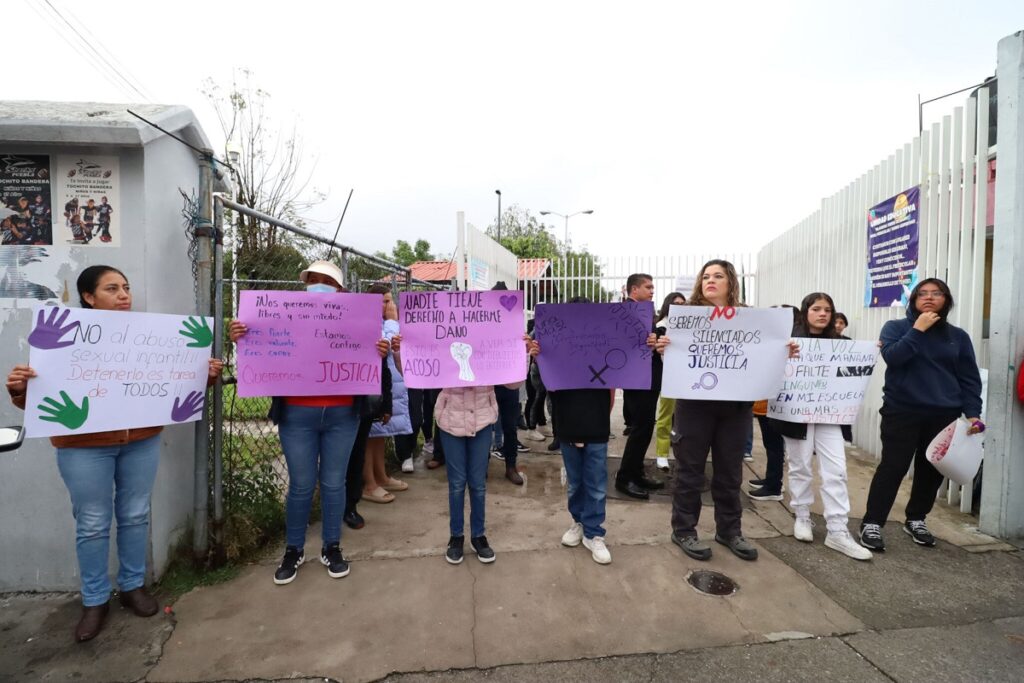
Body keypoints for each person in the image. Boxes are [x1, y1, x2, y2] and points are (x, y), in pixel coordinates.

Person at [6, 265, 224, 642]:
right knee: (91, 522)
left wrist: (203, 374)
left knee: (136, 513)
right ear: (89, 297)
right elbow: (41, 403)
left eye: (126, 287)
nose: (124, 295)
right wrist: (20, 389)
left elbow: (168, 383)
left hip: (140, 441)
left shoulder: (151, 337)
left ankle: (133, 586)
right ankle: (94, 600)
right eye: (112, 289)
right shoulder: (63, 338)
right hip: (83, 448)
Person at [229, 261, 389, 585]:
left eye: (325, 281)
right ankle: (294, 549)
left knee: (334, 483)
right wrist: (240, 336)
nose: (317, 285)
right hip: (297, 416)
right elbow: (261, 348)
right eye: (312, 280)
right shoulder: (284, 314)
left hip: (343, 416)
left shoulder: (360, 321)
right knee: (301, 485)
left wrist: (380, 351)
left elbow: (372, 358)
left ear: (341, 290)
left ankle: (332, 546)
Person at [656, 259, 799, 562]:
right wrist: (664, 348)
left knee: (730, 472)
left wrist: (783, 351)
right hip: (694, 407)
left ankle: (729, 530)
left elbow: (764, 354)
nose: (710, 280)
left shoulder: (749, 318)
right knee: (689, 471)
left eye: (718, 276)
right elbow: (673, 361)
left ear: (731, 282)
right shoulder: (686, 318)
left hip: (735, 407)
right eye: (706, 276)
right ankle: (684, 531)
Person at [859, 278, 983, 551]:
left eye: (936, 293)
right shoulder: (896, 328)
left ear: (946, 300)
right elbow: (894, 357)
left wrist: (973, 414)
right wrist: (917, 330)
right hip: (902, 411)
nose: (929, 298)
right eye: (922, 294)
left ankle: (916, 519)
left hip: (944, 415)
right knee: (893, 466)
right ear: (913, 300)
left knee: (930, 471)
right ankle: (872, 523)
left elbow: (969, 378)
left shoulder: (958, 336)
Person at [770, 293, 872, 561]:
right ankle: (802, 516)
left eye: (828, 309)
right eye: (816, 309)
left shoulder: (843, 345)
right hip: (797, 415)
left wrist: (870, 353)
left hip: (830, 416)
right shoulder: (790, 342)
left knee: (836, 470)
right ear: (805, 312)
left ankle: (837, 530)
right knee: (800, 465)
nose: (823, 314)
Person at [530, 297, 616, 564]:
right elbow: (551, 388)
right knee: (575, 482)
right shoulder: (557, 349)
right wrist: (540, 356)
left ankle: (594, 533)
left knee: (596, 483)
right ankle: (577, 522)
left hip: (597, 424)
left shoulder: (605, 348)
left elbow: (612, 389)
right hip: (567, 422)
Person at [437, 337, 530, 565]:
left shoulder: (490, 337)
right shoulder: (442, 337)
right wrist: (402, 352)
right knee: (457, 484)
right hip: (450, 420)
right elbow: (418, 372)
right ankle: (456, 537)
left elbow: (513, 383)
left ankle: (478, 535)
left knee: (478, 484)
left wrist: (522, 354)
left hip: (482, 419)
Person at [615, 273, 664, 500]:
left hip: (648, 377)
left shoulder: (644, 312)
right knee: (640, 428)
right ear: (634, 290)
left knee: (645, 428)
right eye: (648, 287)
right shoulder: (626, 313)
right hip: (637, 379)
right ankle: (625, 478)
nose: (652, 291)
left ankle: (637, 472)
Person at [362, 284, 413, 503]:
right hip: (372, 388)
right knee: (368, 436)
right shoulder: (368, 322)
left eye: (390, 301)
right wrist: (393, 321)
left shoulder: (386, 322)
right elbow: (385, 346)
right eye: (385, 301)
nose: (390, 305)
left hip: (387, 389)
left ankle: (381, 476)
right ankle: (368, 484)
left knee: (380, 434)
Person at [654, 292, 686, 471]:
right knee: (665, 418)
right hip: (669, 378)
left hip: (688, 380)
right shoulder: (661, 327)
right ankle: (662, 454)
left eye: (683, 303)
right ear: (668, 305)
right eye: (676, 303)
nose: (680, 306)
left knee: (686, 419)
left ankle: (682, 453)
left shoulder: (690, 326)